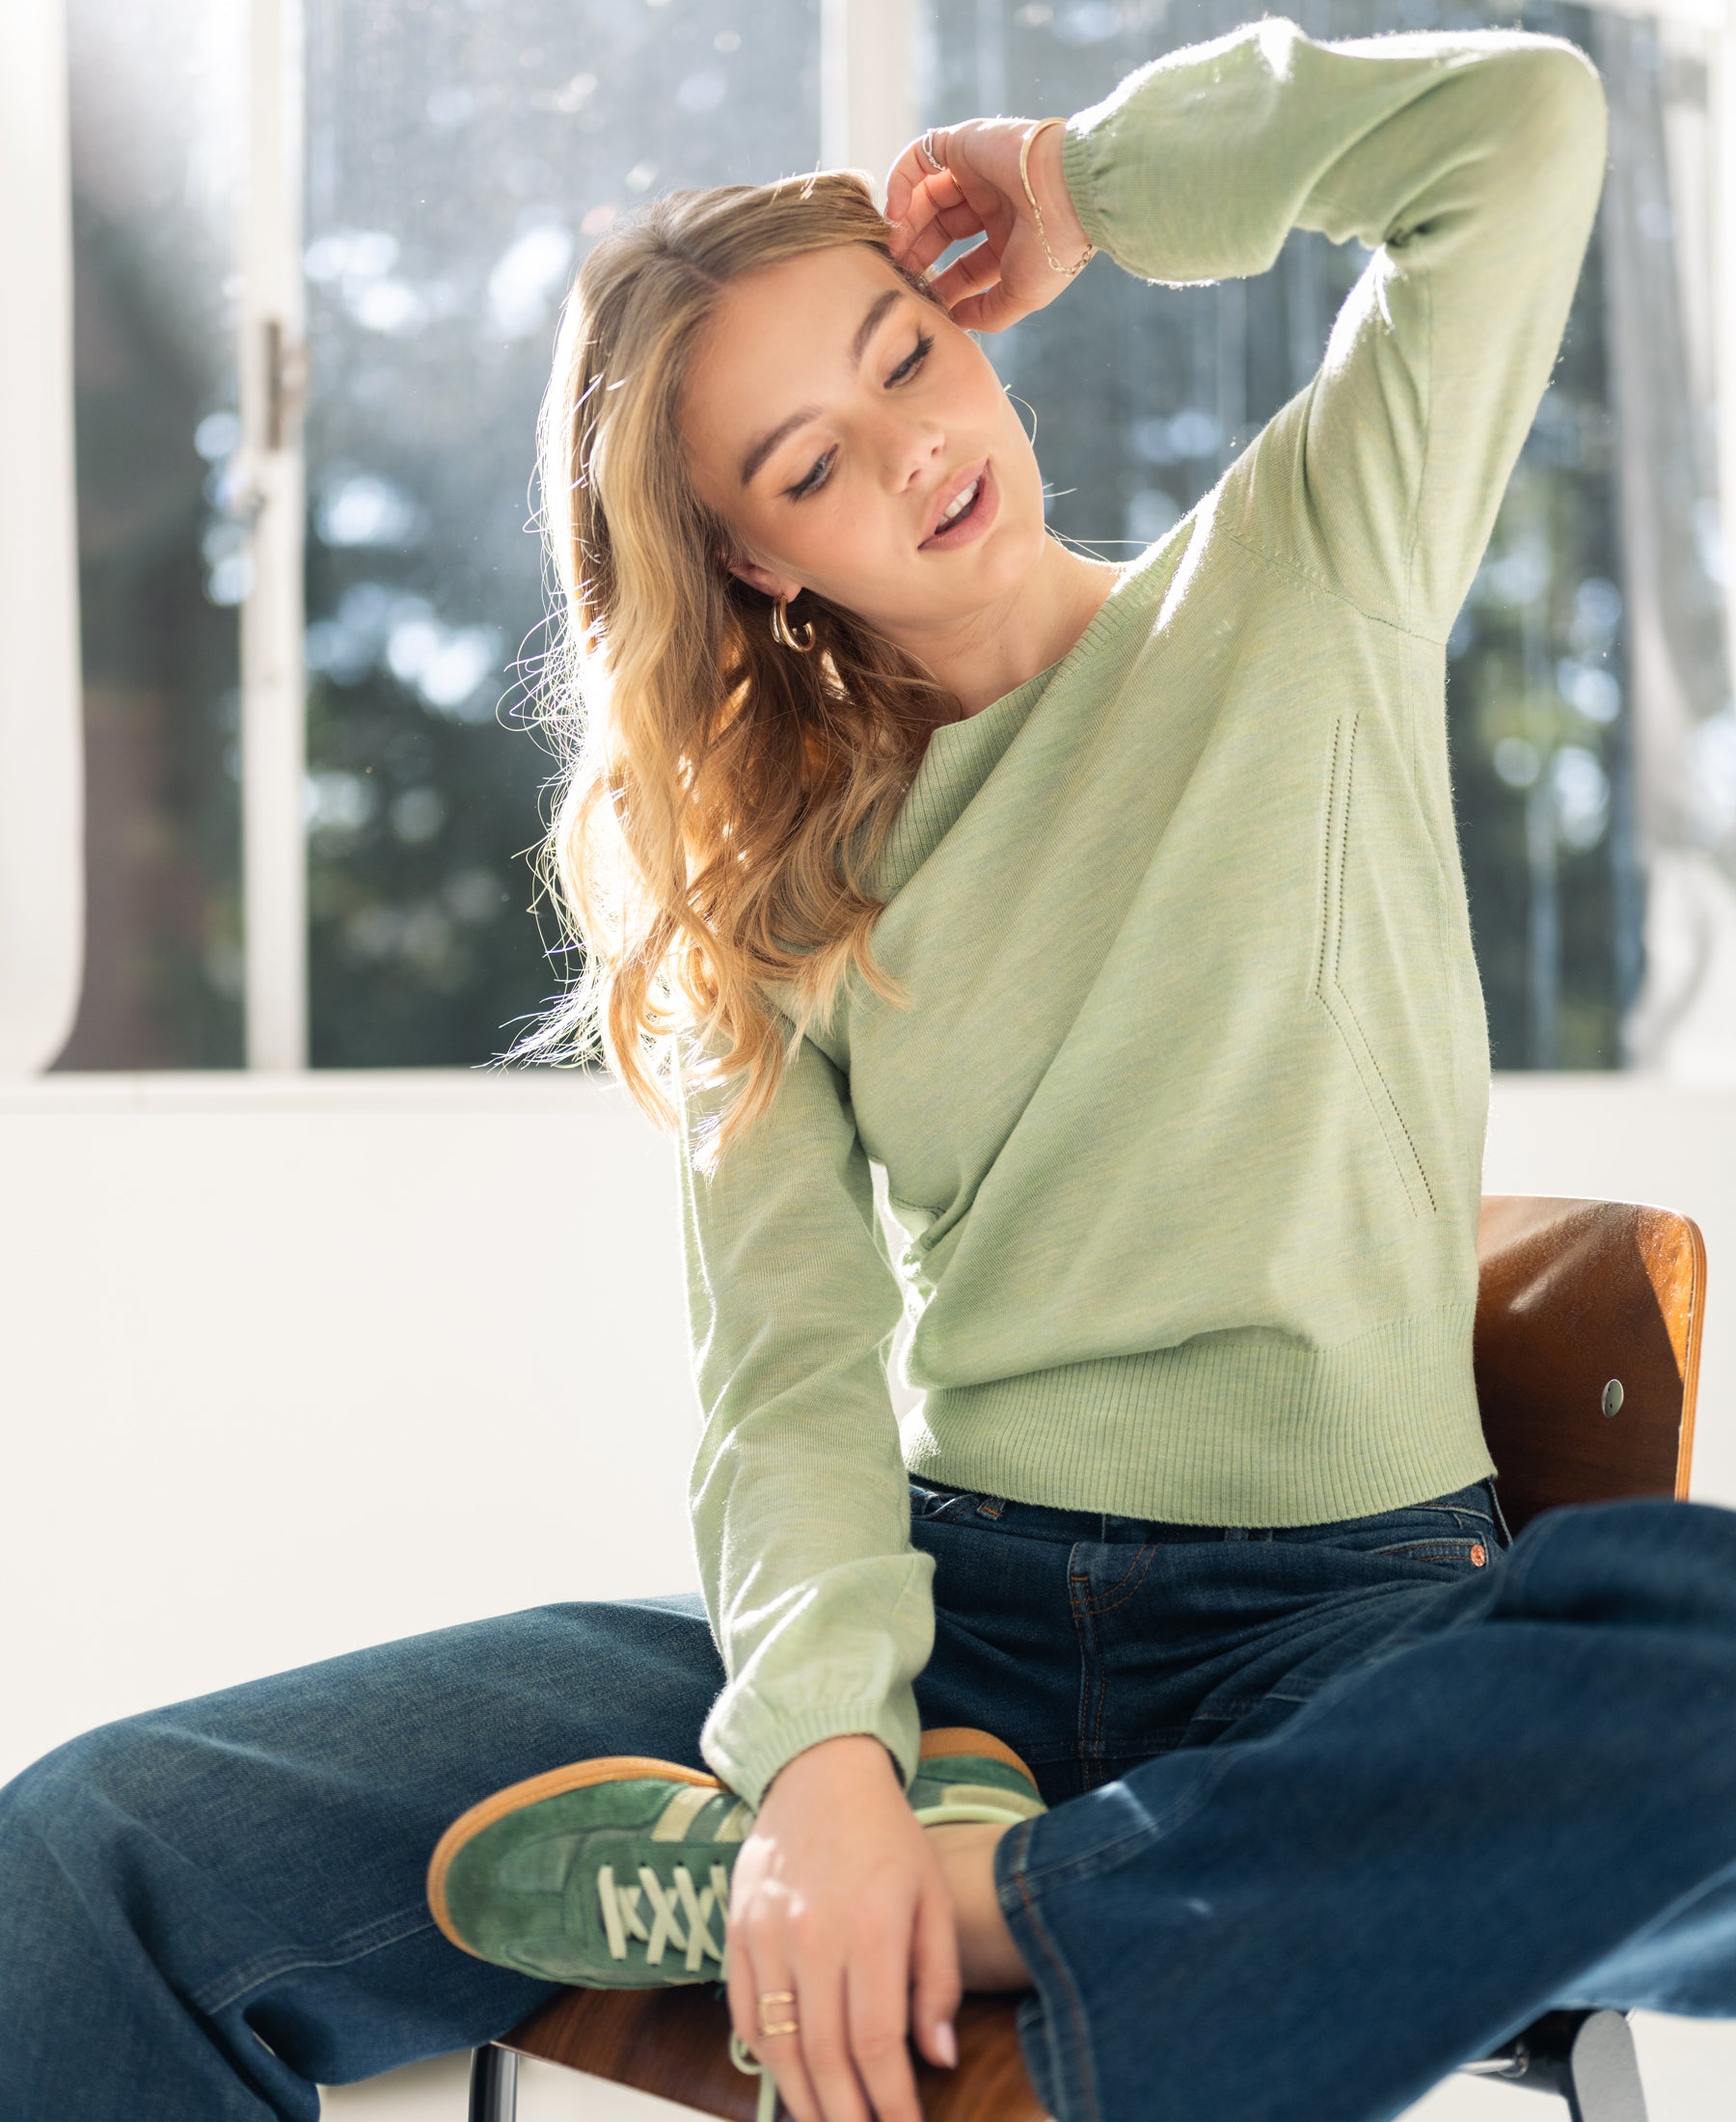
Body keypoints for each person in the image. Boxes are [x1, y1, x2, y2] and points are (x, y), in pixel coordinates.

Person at [6, 18, 1736, 2122]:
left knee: (1702, 1660)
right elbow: (791, 1374)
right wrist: (826, 1757)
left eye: (903, 353)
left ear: (961, 310)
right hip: (948, 1630)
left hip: (1346, 1645)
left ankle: (1020, 1899)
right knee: (82, 1857)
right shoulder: (782, 889)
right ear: (754, 558)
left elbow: (1523, 127)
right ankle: (963, 1875)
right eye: (807, 463)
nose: (910, 450)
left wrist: (1090, 182)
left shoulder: (1308, 579)